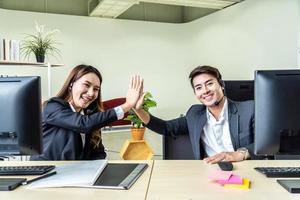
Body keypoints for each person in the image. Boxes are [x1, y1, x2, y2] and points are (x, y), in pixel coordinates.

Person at [134, 65, 254, 164]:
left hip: (245, 170)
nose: (205, 91)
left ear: (221, 85)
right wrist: (139, 110)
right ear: (196, 93)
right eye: (199, 87)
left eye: (210, 83)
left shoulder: (249, 109)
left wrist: (241, 153)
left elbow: (268, 144)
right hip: (211, 173)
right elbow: (166, 127)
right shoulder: (195, 114)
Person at [31, 64, 143, 160]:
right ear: (71, 84)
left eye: (96, 89)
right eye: (86, 85)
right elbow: (83, 124)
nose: (91, 93)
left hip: (74, 175)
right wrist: (127, 105)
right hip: (47, 174)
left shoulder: (89, 116)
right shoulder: (52, 107)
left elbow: (98, 153)